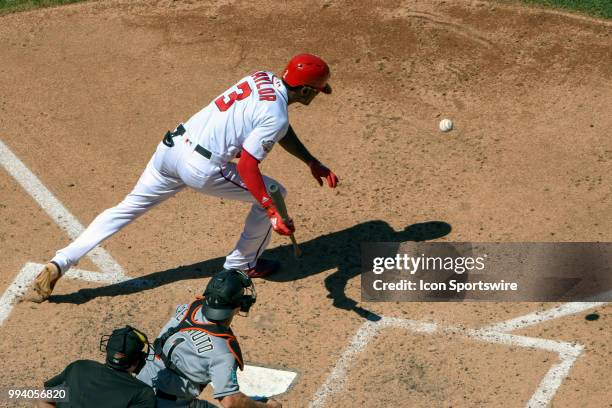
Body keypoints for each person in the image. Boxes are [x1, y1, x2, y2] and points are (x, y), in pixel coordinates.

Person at [27, 53, 339, 303]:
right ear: (309, 90)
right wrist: (272, 211)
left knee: (125, 208)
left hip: (171, 149)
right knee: (274, 191)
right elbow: (247, 165)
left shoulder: (262, 78)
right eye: (318, 91)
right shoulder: (277, 116)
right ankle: (240, 266)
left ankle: (61, 261)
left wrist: (310, 161)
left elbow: (276, 128)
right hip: (200, 168)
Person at [138, 269, 281, 407]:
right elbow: (230, 401)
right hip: (168, 403)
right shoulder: (223, 354)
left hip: (136, 389)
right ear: (237, 308)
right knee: (260, 403)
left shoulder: (188, 308)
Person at [37, 325, 156, 408]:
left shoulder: (79, 368)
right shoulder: (142, 394)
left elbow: (43, 396)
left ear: (107, 350)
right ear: (137, 362)